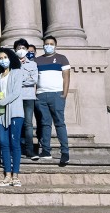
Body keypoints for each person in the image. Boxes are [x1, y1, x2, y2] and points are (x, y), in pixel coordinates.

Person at [35, 35, 70, 166]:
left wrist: (64, 94)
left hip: (56, 95)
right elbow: (34, 79)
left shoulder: (62, 58)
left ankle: (65, 152)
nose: (48, 46)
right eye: (46, 44)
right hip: (41, 95)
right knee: (45, 123)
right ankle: (45, 151)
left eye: (51, 43)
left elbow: (66, 77)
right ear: (43, 45)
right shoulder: (37, 60)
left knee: (59, 123)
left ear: (55, 45)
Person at [0, 48, 24, 186]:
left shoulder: (17, 72)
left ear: (11, 57)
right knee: (4, 144)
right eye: (0, 58)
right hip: (1, 114)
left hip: (15, 113)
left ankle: (16, 175)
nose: (3, 60)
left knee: (14, 143)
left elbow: (16, 92)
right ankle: (7, 175)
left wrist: (1, 101)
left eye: (5, 57)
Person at [14, 38, 39, 160]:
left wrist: (20, 81)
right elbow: (11, 80)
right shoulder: (12, 64)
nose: (21, 50)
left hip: (28, 97)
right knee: (16, 123)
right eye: (18, 48)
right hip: (16, 97)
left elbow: (34, 79)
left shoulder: (33, 64)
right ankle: (16, 149)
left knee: (28, 124)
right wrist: (24, 81)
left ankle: (29, 150)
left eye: (23, 48)